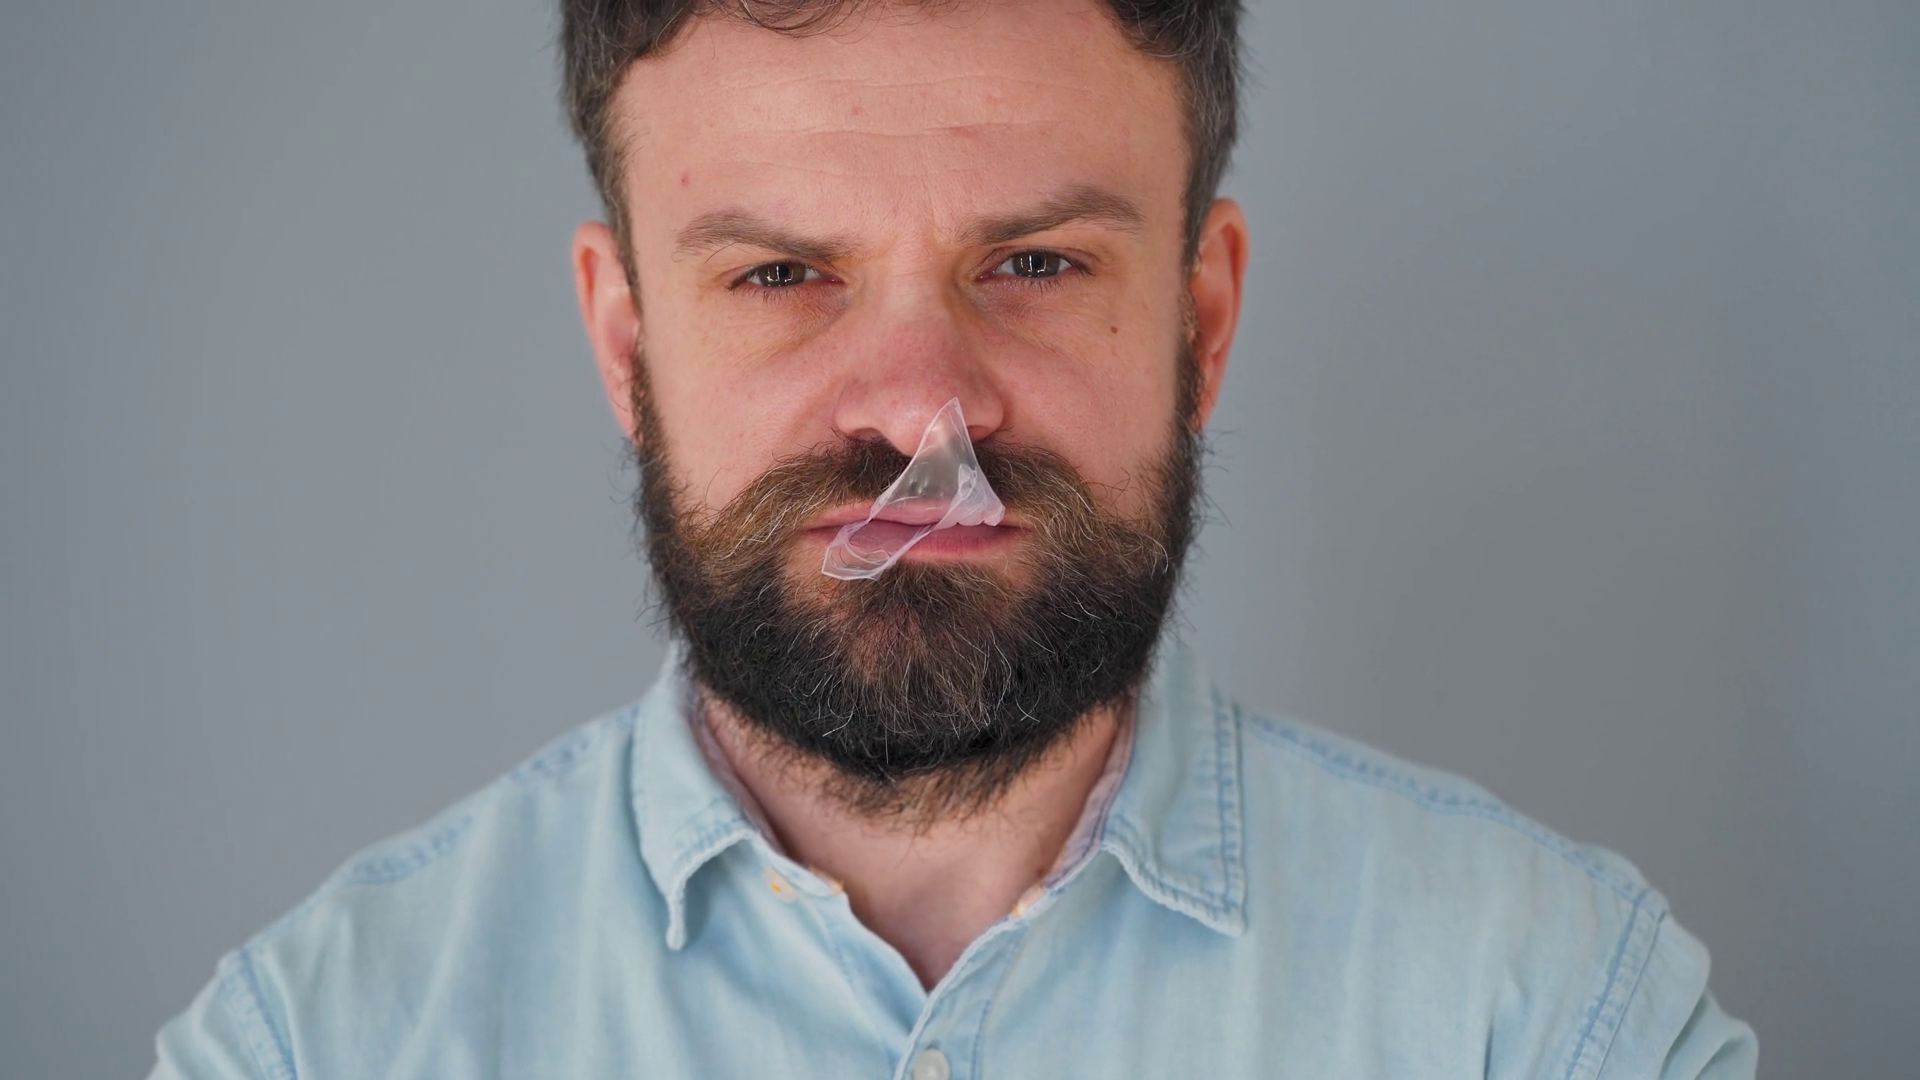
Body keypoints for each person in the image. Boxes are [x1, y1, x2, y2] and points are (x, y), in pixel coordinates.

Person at [150, 1, 1757, 1076]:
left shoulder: (1555, 1020)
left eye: (1037, 265)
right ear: (628, 350)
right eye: (782, 277)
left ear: (1200, 321)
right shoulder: (313, 1048)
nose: (923, 412)